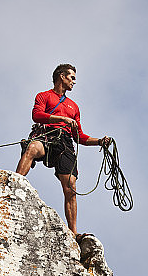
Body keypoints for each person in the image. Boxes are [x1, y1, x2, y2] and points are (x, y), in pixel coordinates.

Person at [16, 64, 110, 239]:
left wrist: (100, 142)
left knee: (71, 188)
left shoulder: (74, 107)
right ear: (62, 76)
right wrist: (62, 119)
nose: (74, 81)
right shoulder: (44, 96)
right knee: (32, 148)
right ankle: (14, 184)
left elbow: (80, 137)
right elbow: (37, 115)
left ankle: (73, 233)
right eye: (72, 77)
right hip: (47, 135)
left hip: (65, 142)